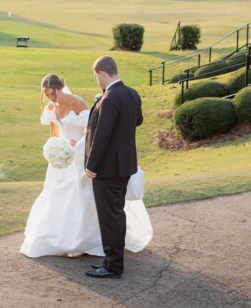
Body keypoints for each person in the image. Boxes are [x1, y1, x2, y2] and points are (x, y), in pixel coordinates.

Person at [20, 72, 152, 260]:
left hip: (81, 153)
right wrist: (54, 149)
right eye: (48, 94)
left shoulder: (76, 102)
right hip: (63, 159)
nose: (51, 97)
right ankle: (60, 238)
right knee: (56, 195)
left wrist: (77, 145)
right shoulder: (51, 107)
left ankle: (88, 241)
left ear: (60, 87)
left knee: (84, 196)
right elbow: (54, 133)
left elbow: (92, 129)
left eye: (53, 93)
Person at [84, 55, 145, 279]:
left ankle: (112, 266)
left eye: (96, 77)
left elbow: (102, 136)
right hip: (125, 165)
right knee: (116, 213)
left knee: (109, 215)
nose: (97, 82)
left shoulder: (110, 98)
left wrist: (91, 165)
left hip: (108, 168)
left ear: (102, 73)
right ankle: (112, 259)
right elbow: (138, 120)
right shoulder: (132, 93)